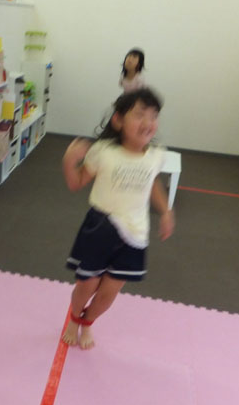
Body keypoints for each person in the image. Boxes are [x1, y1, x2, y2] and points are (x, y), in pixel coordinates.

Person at [61, 88, 174, 349]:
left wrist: (166, 211)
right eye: (140, 115)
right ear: (118, 120)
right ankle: (74, 318)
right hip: (100, 227)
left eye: (153, 116)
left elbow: (153, 185)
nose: (148, 122)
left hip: (134, 234)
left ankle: (88, 322)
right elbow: (76, 183)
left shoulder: (156, 156)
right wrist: (69, 161)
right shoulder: (103, 151)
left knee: (108, 294)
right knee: (87, 285)